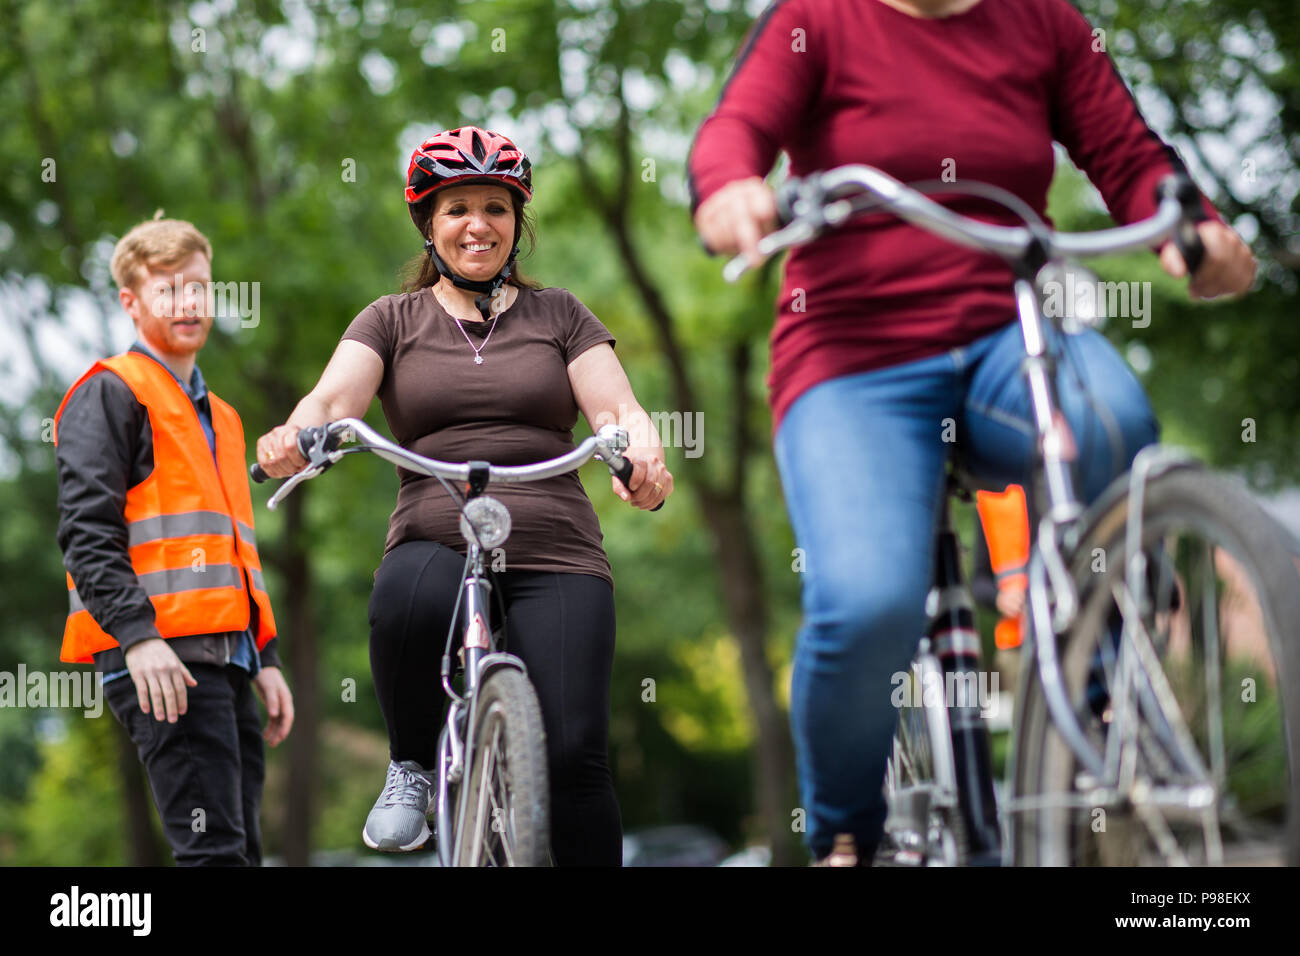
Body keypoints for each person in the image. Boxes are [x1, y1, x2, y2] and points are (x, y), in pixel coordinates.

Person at [689, 0, 1256, 864]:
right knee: (870, 600)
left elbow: (1129, 153)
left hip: (1010, 336)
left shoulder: (1046, 25)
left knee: (1113, 419)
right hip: (853, 363)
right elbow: (736, 127)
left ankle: (1097, 701)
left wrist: (1195, 228)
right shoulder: (817, 20)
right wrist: (730, 189)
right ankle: (844, 830)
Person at [255, 126, 673, 865]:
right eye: (456, 209)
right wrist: (296, 435)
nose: (477, 224)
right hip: (436, 529)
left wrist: (640, 452)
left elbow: (618, 411)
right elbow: (331, 400)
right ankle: (412, 766)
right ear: (429, 223)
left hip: (557, 543)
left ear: (518, 222)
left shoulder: (562, 316)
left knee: (576, 753)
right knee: (411, 599)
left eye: (495, 207)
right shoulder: (391, 319)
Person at [55, 216, 294, 866]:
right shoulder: (110, 393)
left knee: (237, 851)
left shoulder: (222, 415)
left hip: (228, 660)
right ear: (131, 301)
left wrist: (265, 656)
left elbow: (238, 552)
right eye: (168, 290)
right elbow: (84, 532)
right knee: (213, 853)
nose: (188, 303)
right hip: (162, 660)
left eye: (198, 287)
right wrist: (139, 637)